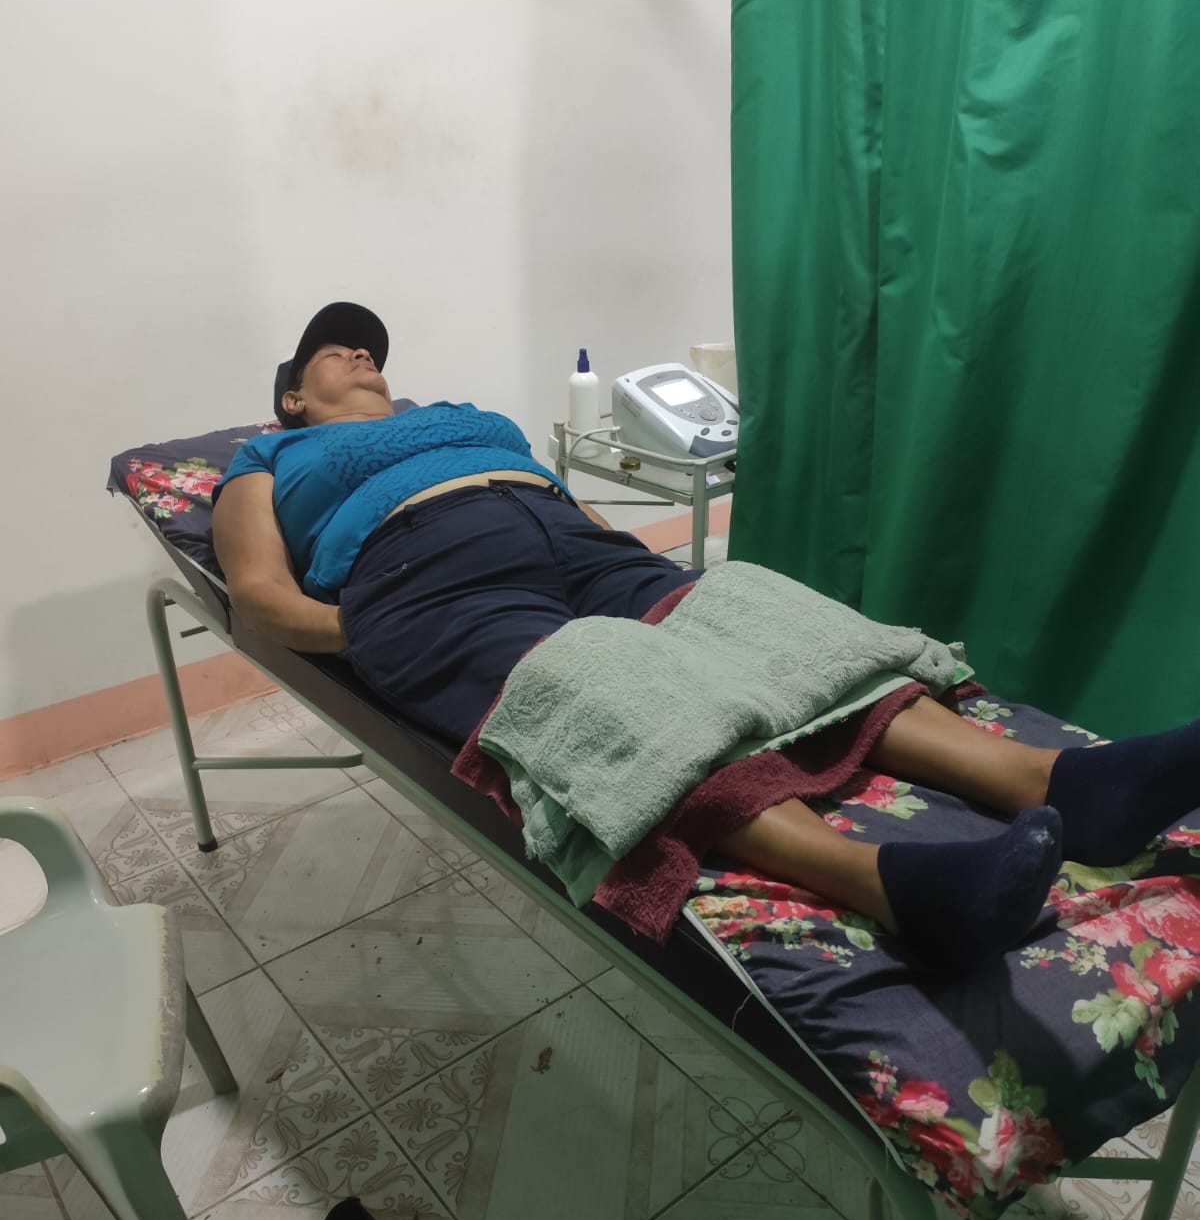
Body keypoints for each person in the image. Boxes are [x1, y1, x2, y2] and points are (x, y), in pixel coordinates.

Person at [212, 303, 1200, 971]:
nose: (360, 352)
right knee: (597, 682)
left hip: (573, 545)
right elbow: (259, 594)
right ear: (291, 397)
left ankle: (1056, 784)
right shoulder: (271, 456)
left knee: (749, 608)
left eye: (368, 345)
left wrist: (630, 576)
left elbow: (561, 500)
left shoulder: (459, 418)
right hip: (427, 580)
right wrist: (394, 630)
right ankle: (893, 889)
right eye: (333, 349)